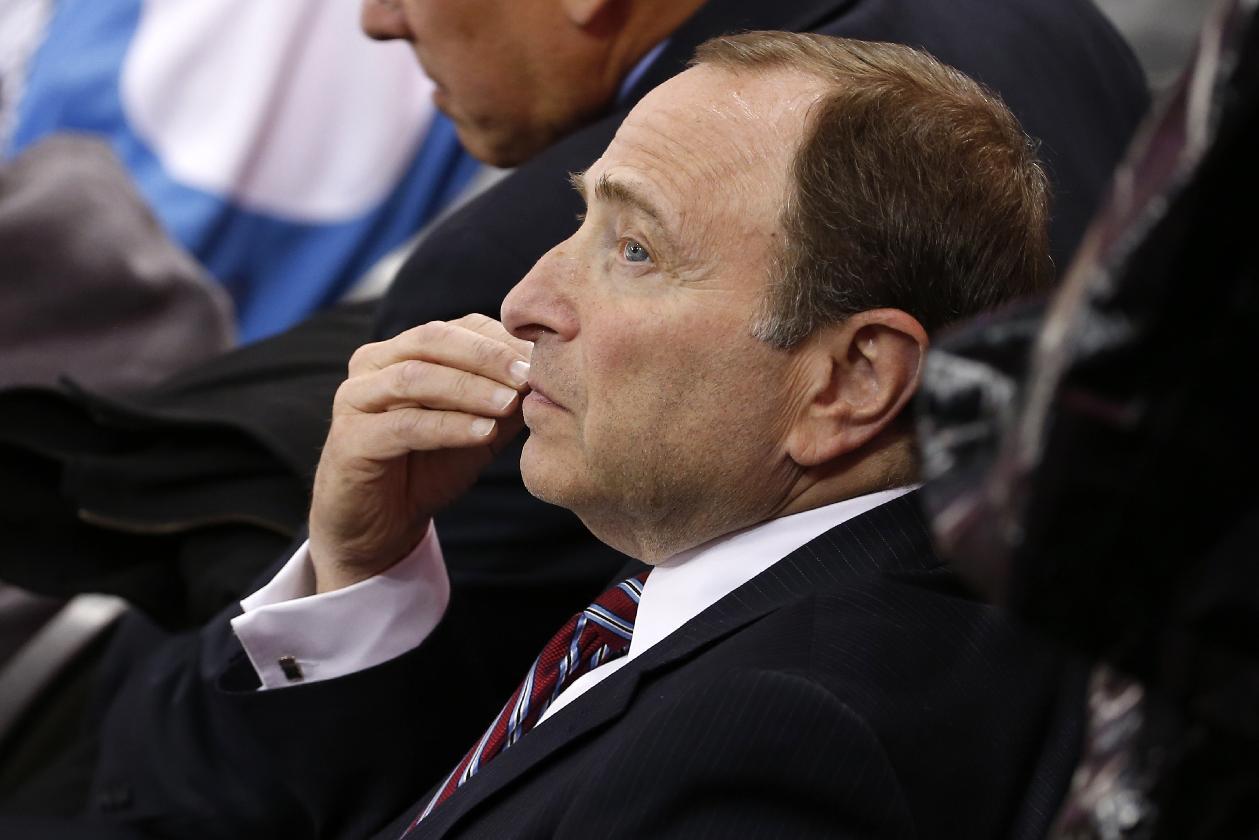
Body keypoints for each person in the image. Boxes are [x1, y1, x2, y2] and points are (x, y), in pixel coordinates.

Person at [0, 0, 1147, 819]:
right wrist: (358, 571)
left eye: (633, 249)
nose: (524, 299)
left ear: (849, 382)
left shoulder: (777, 742)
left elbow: (186, 799)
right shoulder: (696, 557)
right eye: (576, 221)